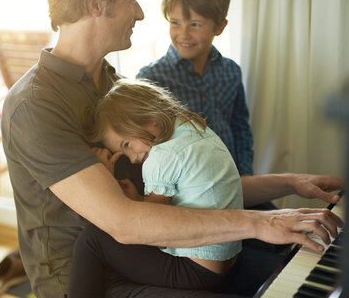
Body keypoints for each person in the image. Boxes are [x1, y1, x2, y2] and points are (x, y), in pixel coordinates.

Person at [1, 0, 343, 297]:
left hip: (156, 251)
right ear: (96, 5)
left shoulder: (118, 90)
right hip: (89, 276)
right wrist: (259, 223)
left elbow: (200, 186)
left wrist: (290, 182)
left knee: (284, 269)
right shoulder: (35, 106)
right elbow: (122, 222)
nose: (140, 13)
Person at [69, 78, 245, 297]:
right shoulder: (195, 128)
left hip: (196, 272)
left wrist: (106, 179)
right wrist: (136, 200)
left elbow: (149, 228)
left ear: (150, 118)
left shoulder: (162, 156)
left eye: (126, 145)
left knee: (92, 239)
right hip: (225, 261)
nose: (132, 158)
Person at [137, 0, 253, 177]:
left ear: (219, 27)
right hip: (189, 185)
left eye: (195, 24)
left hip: (233, 179)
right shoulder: (151, 78)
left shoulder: (231, 70)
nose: (183, 34)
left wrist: (244, 174)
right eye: (175, 23)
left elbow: (240, 127)